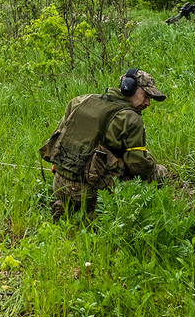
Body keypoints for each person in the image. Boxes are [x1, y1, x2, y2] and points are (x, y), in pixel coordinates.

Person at [39, 69, 170, 220]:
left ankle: (67, 204)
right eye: (146, 96)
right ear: (129, 88)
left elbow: (56, 141)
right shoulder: (130, 118)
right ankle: (95, 214)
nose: (147, 103)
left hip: (59, 184)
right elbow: (138, 167)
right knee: (160, 172)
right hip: (90, 192)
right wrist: (150, 161)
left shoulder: (80, 101)